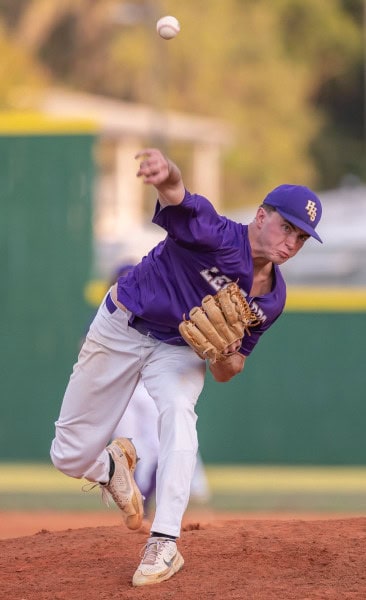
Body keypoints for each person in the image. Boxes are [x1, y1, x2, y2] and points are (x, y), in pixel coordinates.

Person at [50, 147, 323, 587]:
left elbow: (228, 369)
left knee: (179, 413)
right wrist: (163, 173)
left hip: (177, 349)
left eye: (301, 237)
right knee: (68, 455)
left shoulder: (271, 299)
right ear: (260, 216)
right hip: (122, 324)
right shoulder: (214, 233)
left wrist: (224, 353)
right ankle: (112, 469)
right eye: (287, 227)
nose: (291, 243)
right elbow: (178, 193)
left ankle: (164, 541)